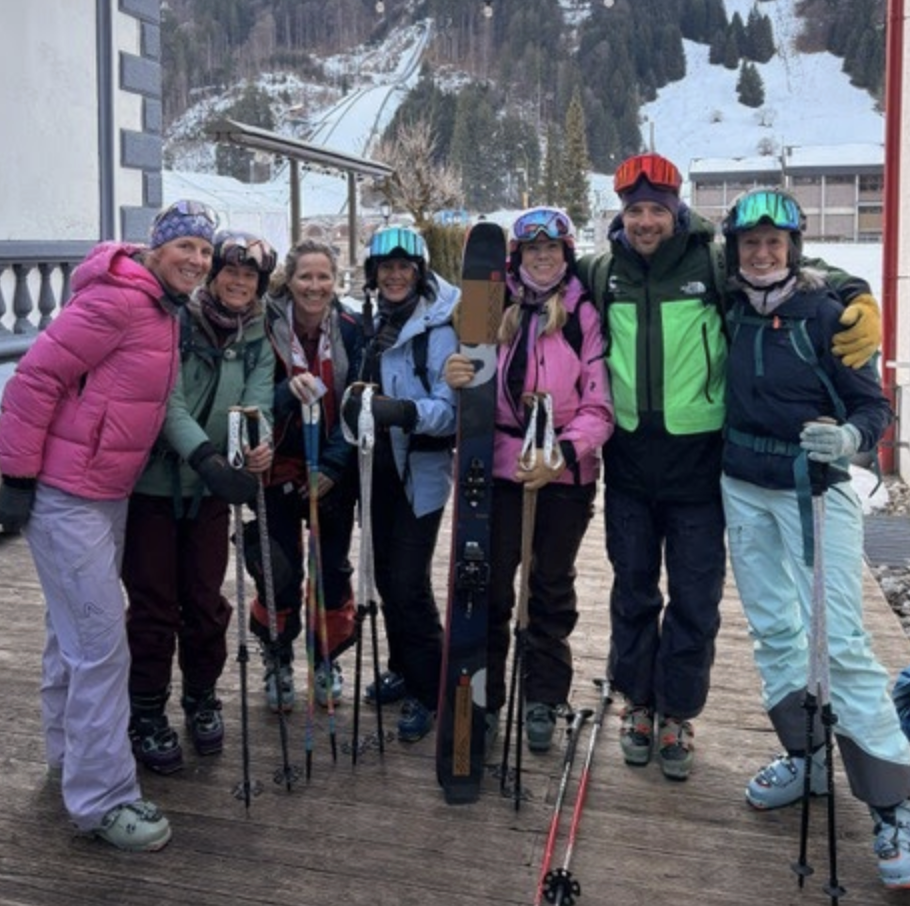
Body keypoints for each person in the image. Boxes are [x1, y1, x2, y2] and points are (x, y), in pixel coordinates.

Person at [576, 152, 883, 782]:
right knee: (632, 592)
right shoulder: (603, 270)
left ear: (676, 211)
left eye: (656, 210)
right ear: (622, 215)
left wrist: (859, 294)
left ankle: (677, 712)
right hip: (628, 466)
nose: (645, 221)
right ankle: (639, 702)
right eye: (635, 211)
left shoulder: (712, 262)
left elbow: (793, 267)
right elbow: (545, 277)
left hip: (699, 468)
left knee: (695, 598)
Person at [0, 199, 219, 851]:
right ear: (157, 247)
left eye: (205, 251)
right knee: (100, 647)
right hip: (67, 494)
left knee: (71, 636)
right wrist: (14, 477)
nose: (197, 260)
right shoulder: (119, 300)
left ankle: (72, 758)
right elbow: (34, 379)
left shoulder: (162, 308)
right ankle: (103, 800)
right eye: (185, 246)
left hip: (103, 491)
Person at [718, 187, 910, 890]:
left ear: (794, 248)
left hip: (815, 489)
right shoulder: (728, 303)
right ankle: (807, 758)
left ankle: (893, 801)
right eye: (751, 243)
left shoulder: (829, 312)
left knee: (840, 641)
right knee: (773, 628)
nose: (762, 254)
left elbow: (874, 406)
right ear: (735, 251)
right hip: (743, 484)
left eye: (775, 243)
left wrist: (851, 438)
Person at [444, 207, 613, 753]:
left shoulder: (583, 313)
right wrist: (455, 376)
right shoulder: (492, 305)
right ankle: (487, 696)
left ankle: (543, 695)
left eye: (553, 249)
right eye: (533, 250)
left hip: (562, 472)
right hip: (498, 468)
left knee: (550, 586)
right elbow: (469, 377)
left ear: (567, 254)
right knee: (491, 589)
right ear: (517, 257)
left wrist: (561, 454)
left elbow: (600, 406)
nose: (543, 257)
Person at [121, 230, 277, 774]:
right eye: (230, 271)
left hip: (212, 491)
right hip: (155, 486)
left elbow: (258, 400)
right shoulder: (175, 320)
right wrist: (207, 457)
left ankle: (201, 697)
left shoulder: (257, 334)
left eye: (250, 276)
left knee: (206, 601)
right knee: (154, 604)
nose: (239, 282)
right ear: (213, 276)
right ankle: (146, 711)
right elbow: (168, 402)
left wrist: (258, 443)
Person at [342, 225, 459, 742]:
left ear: (419, 272)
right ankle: (402, 667)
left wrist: (402, 412)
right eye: (385, 268)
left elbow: (450, 411)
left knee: (410, 584)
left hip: (419, 474)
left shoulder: (437, 330)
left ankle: (429, 688)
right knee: (387, 578)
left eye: (404, 268)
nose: (394, 276)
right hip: (376, 470)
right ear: (373, 274)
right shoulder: (371, 323)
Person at [244, 239, 363, 713]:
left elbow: (357, 402)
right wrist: (284, 392)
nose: (315, 286)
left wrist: (333, 466)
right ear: (289, 281)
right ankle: (278, 656)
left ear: (335, 280)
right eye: (305, 277)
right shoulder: (264, 325)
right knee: (278, 569)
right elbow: (251, 395)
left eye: (323, 276)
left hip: (331, 470)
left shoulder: (351, 328)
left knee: (330, 569)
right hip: (276, 467)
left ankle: (325, 658)